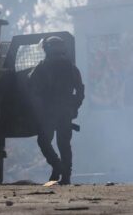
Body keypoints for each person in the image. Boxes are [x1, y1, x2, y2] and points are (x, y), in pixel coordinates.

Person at [30, 36, 85, 185]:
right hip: (64, 112)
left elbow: (33, 90)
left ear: (47, 49)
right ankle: (65, 175)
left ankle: (57, 166)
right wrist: (74, 106)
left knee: (43, 141)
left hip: (49, 113)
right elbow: (80, 90)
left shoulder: (41, 67)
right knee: (64, 144)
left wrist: (39, 110)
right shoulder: (71, 68)